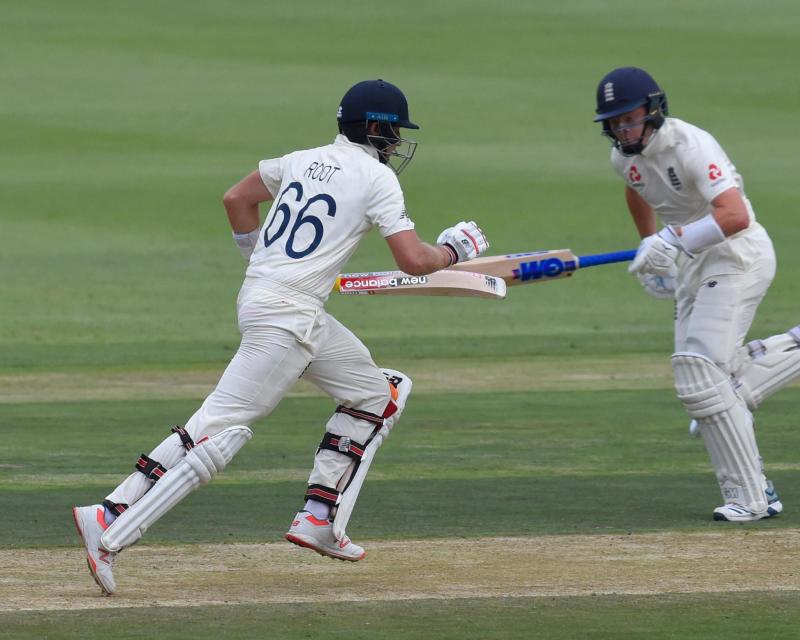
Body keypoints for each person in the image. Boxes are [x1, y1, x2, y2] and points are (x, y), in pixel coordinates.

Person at [72, 79, 491, 595]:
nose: (397, 144)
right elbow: (413, 260)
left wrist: (265, 263)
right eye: (394, 133)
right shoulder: (378, 179)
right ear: (377, 128)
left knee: (376, 393)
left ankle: (319, 516)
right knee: (220, 429)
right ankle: (109, 520)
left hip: (274, 304)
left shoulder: (297, 160)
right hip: (286, 320)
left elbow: (236, 199)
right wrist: (454, 249)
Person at [593, 67, 800, 523]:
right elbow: (637, 188)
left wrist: (671, 241)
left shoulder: (690, 146)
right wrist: (651, 246)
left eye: (630, 118)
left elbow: (735, 215)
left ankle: (753, 497)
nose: (623, 129)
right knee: (705, 386)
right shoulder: (622, 158)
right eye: (613, 122)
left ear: (654, 109)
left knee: (702, 377)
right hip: (693, 263)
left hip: (737, 255)